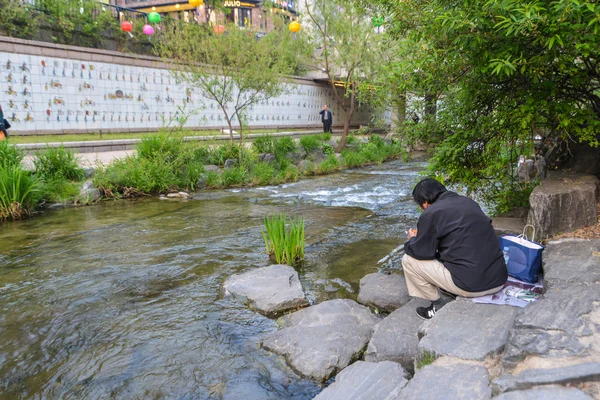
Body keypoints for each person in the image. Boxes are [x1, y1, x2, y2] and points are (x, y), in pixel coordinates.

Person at [402, 178, 508, 319]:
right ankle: (450, 290)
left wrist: (413, 240)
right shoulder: (469, 202)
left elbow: (422, 253)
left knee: (408, 260)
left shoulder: (430, 213)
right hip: (499, 278)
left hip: (472, 286)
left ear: (425, 203)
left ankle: (438, 305)